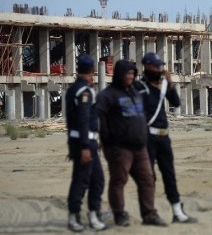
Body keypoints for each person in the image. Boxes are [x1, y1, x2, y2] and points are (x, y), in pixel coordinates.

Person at [96, 59, 166, 227]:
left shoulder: (135, 92)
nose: (131, 76)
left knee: (148, 180)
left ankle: (149, 214)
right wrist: (106, 143)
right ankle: (119, 215)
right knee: (119, 181)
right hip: (120, 148)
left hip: (140, 148)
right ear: (119, 74)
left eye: (133, 73)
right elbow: (98, 118)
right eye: (128, 73)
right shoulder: (108, 95)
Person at [134, 52, 197, 224]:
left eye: (160, 66)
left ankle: (178, 212)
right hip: (148, 137)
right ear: (147, 66)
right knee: (149, 177)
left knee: (169, 174)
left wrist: (170, 84)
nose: (159, 69)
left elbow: (176, 103)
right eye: (156, 66)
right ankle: (149, 212)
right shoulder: (139, 87)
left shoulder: (162, 86)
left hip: (164, 137)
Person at [65, 54, 106, 232]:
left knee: (97, 180)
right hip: (85, 143)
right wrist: (83, 147)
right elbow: (82, 120)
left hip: (85, 142)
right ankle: (74, 217)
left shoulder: (73, 89)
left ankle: (93, 214)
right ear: (91, 71)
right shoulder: (84, 92)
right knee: (81, 181)